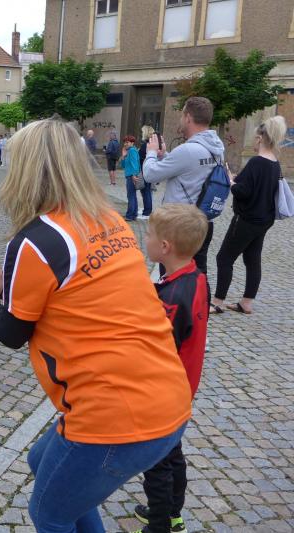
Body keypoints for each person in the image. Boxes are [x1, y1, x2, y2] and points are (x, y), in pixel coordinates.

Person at [0, 118, 190, 533]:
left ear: (25, 171)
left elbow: (12, 333)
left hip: (115, 414)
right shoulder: (109, 219)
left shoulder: (36, 239)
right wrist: (6, 289)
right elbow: (74, 298)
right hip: (168, 396)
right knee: (40, 460)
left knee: (49, 514)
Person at [131, 203, 210, 533]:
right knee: (172, 454)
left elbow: (154, 350)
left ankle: (160, 524)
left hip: (162, 395)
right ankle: (173, 513)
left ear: (164, 247)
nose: (145, 239)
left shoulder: (172, 298)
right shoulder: (195, 277)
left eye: (148, 234)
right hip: (181, 391)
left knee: (157, 463)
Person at [211, 116, 287, 315]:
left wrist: (231, 182)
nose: (254, 141)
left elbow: (243, 192)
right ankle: (247, 302)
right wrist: (239, 181)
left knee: (224, 258)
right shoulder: (275, 163)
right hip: (264, 220)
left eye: (255, 138)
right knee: (252, 259)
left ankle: (217, 302)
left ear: (260, 138)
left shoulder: (256, 162)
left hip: (246, 219)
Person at [143, 96, 224, 276]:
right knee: (198, 273)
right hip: (203, 221)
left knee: (173, 276)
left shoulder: (188, 150)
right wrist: (166, 156)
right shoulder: (216, 147)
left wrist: (151, 153)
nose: (181, 119)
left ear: (188, 117)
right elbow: (189, 169)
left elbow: (149, 174)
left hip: (179, 224)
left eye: (181, 115)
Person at [121, 135, 151, 221]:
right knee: (132, 195)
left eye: (127, 142)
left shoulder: (132, 151)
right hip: (129, 175)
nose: (125, 144)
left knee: (131, 196)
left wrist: (134, 175)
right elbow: (123, 166)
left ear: (132, 143)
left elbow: (135, 164)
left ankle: (130, 215)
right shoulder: (129, 151)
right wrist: (123, 156)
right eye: (124, 142)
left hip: (131, 176)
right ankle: (133, 214)